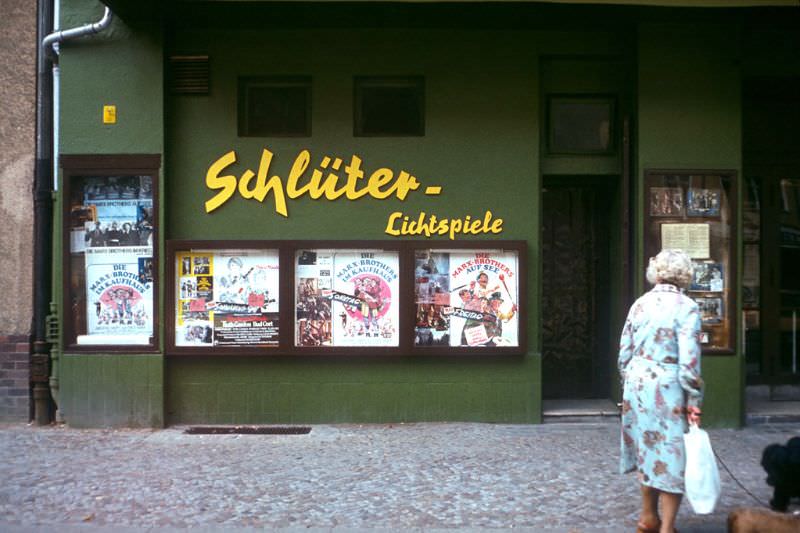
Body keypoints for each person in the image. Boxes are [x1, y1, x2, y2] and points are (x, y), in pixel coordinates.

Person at [618, 249, 704, 533]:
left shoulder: (639, 304)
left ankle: (647, 517)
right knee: (671, 454)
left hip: (638, 383)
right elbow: (689, 364)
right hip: (668, 387)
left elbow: (624, 353)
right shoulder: (686, 307)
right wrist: (694, 399)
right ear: (684, 274)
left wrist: (630, 381)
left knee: (647, 449)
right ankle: (667, 527)